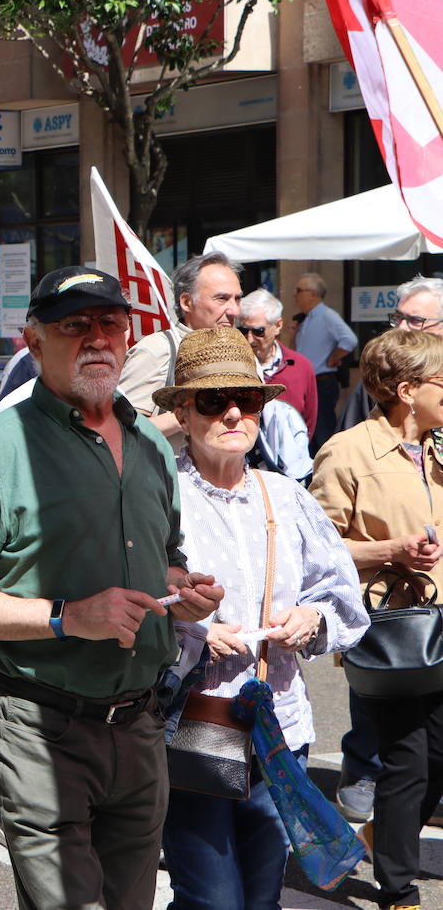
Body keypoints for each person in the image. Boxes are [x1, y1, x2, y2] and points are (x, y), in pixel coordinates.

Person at [0, 266, 223, 909]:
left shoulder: (149, 443)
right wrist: (68, 616)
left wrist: (180, 588)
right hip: (43, 725)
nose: (97, 339)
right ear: (34, 341)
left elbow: (165, 555)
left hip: (141, 722)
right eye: (74, 326)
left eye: (110, 324)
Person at [149, 327, 366, 908]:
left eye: (245, 401)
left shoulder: (285, 495)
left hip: (278, 725)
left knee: (263, 895)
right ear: (184, 412)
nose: (232, 414)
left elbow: (342, 595)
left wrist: (312, 617)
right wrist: (192, 628)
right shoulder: (158, 492)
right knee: (212, 897)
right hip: (195, 720)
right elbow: (119, 598)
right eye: (214, 401)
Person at [311, 328, 443, 908]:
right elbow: (316, 548)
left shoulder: (439, 448)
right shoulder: (349, 451)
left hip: (442, 622)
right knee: (407, 754)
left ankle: (384, 833)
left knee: (438, 755)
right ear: (408, 389)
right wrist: (392, 552)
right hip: (391, 628)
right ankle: (398, 887)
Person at [119, 251, 244, 446]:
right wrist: (186, 415)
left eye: (237, 299)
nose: (234, 310)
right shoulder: (158, 350)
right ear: (186, 302)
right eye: (222, 298)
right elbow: (122, 431)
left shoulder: (238, 353)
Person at [339, 275, 443, 432]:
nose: (401, 328)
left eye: (415, 320)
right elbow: (350, 444)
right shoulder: (384, 377)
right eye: (399, 317)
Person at [238, 288, 319, 435]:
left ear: (278, 326)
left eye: (258, 331)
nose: (249, 339)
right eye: (243, 330)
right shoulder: (232, 366)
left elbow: (309, 421)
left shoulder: (301, 366)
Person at [292, 272, 358, 451]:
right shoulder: (307, 319)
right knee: (310, 434)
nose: (294, 294)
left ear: (313, 293)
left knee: (323, 434)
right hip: (308, 384)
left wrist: (334, 357)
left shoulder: (327, 315)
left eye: (299, 290)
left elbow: (350, 340)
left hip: (321, 383)